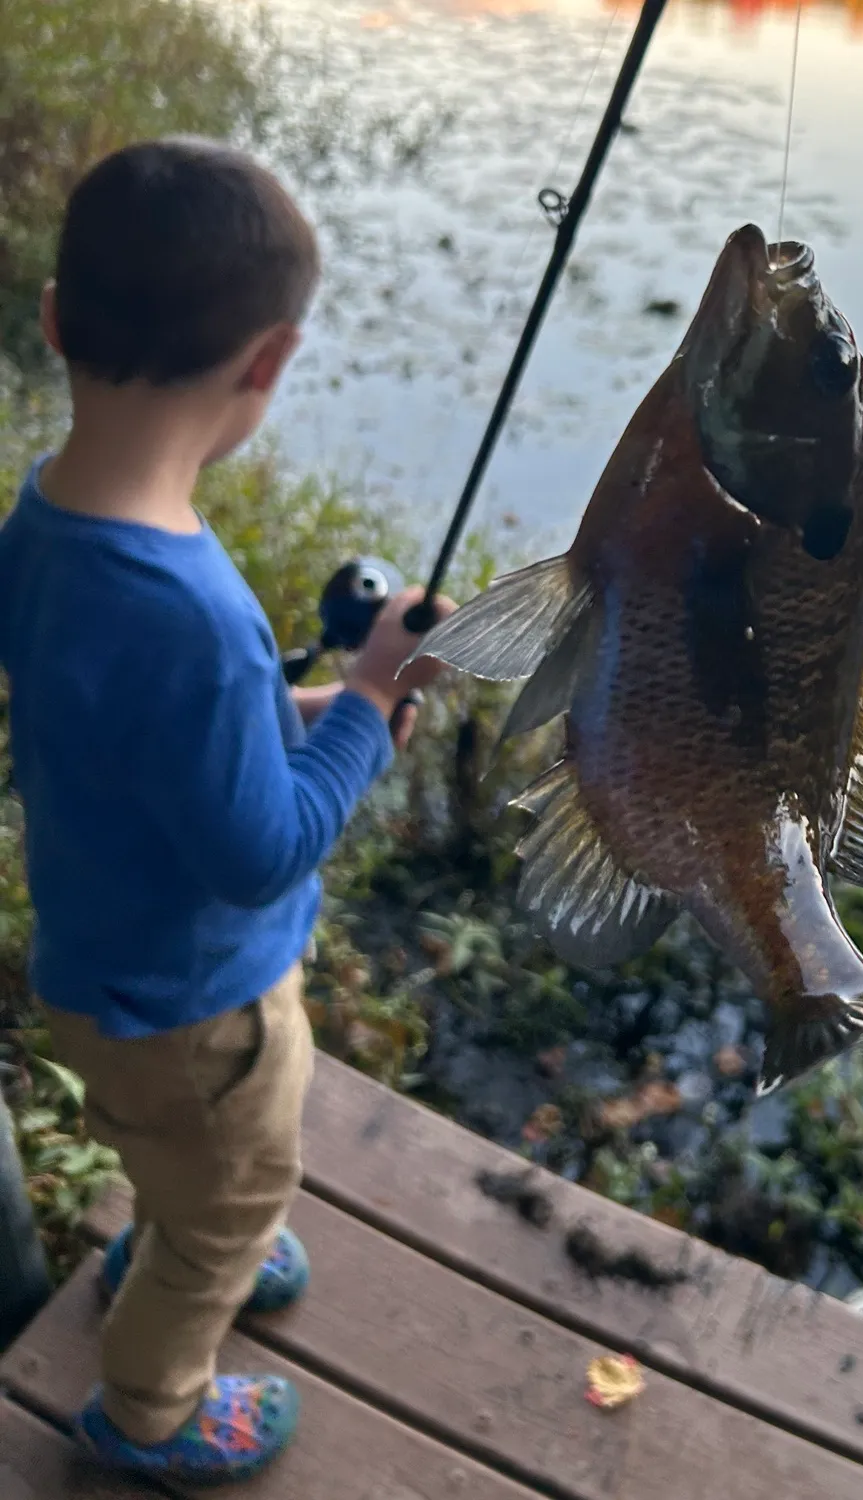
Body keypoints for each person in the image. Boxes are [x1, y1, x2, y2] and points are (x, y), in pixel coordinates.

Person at [0, 136, 455, 1484]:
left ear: (54, 320)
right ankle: (147, 1406)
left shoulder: (41, 524)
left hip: (104, 979)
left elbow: (163, 746)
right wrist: (370, 709)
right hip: (199, 1016)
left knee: (177, 1162)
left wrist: (323, 711)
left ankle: (174, 1231)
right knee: (233, 1200)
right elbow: (262, 849)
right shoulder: (189, 615)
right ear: (268, 364)